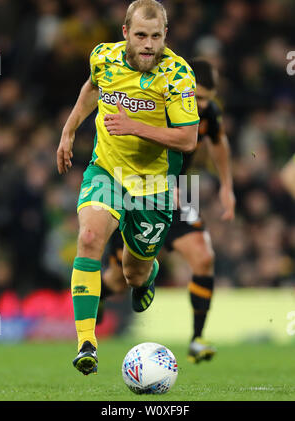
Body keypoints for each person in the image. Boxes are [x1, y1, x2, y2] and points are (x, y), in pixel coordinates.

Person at [56, 0, 199, 375]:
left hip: (153, 183)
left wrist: (136, 126)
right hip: (107, 171)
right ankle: (86, 340)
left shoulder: (178, 75)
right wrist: (69, 131)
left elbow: (187, 140)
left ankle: (146, 277)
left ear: (165, 35)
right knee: (88, 238)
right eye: (140, 35)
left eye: (156, 36)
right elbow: (91, 87)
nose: (148, 44)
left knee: (133, 272)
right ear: (125, 33)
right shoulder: (104, 57)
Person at [99, 58, 235, 364]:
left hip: (178, 195)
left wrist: (226, 186)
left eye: (207, 100)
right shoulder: (158, 104)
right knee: (123, 279)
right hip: (138, 190)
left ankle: (197, 339)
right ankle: (98, 297)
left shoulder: (208, 112)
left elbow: (219, 141)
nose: (201, 105)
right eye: (197, 97)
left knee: (204, 256)